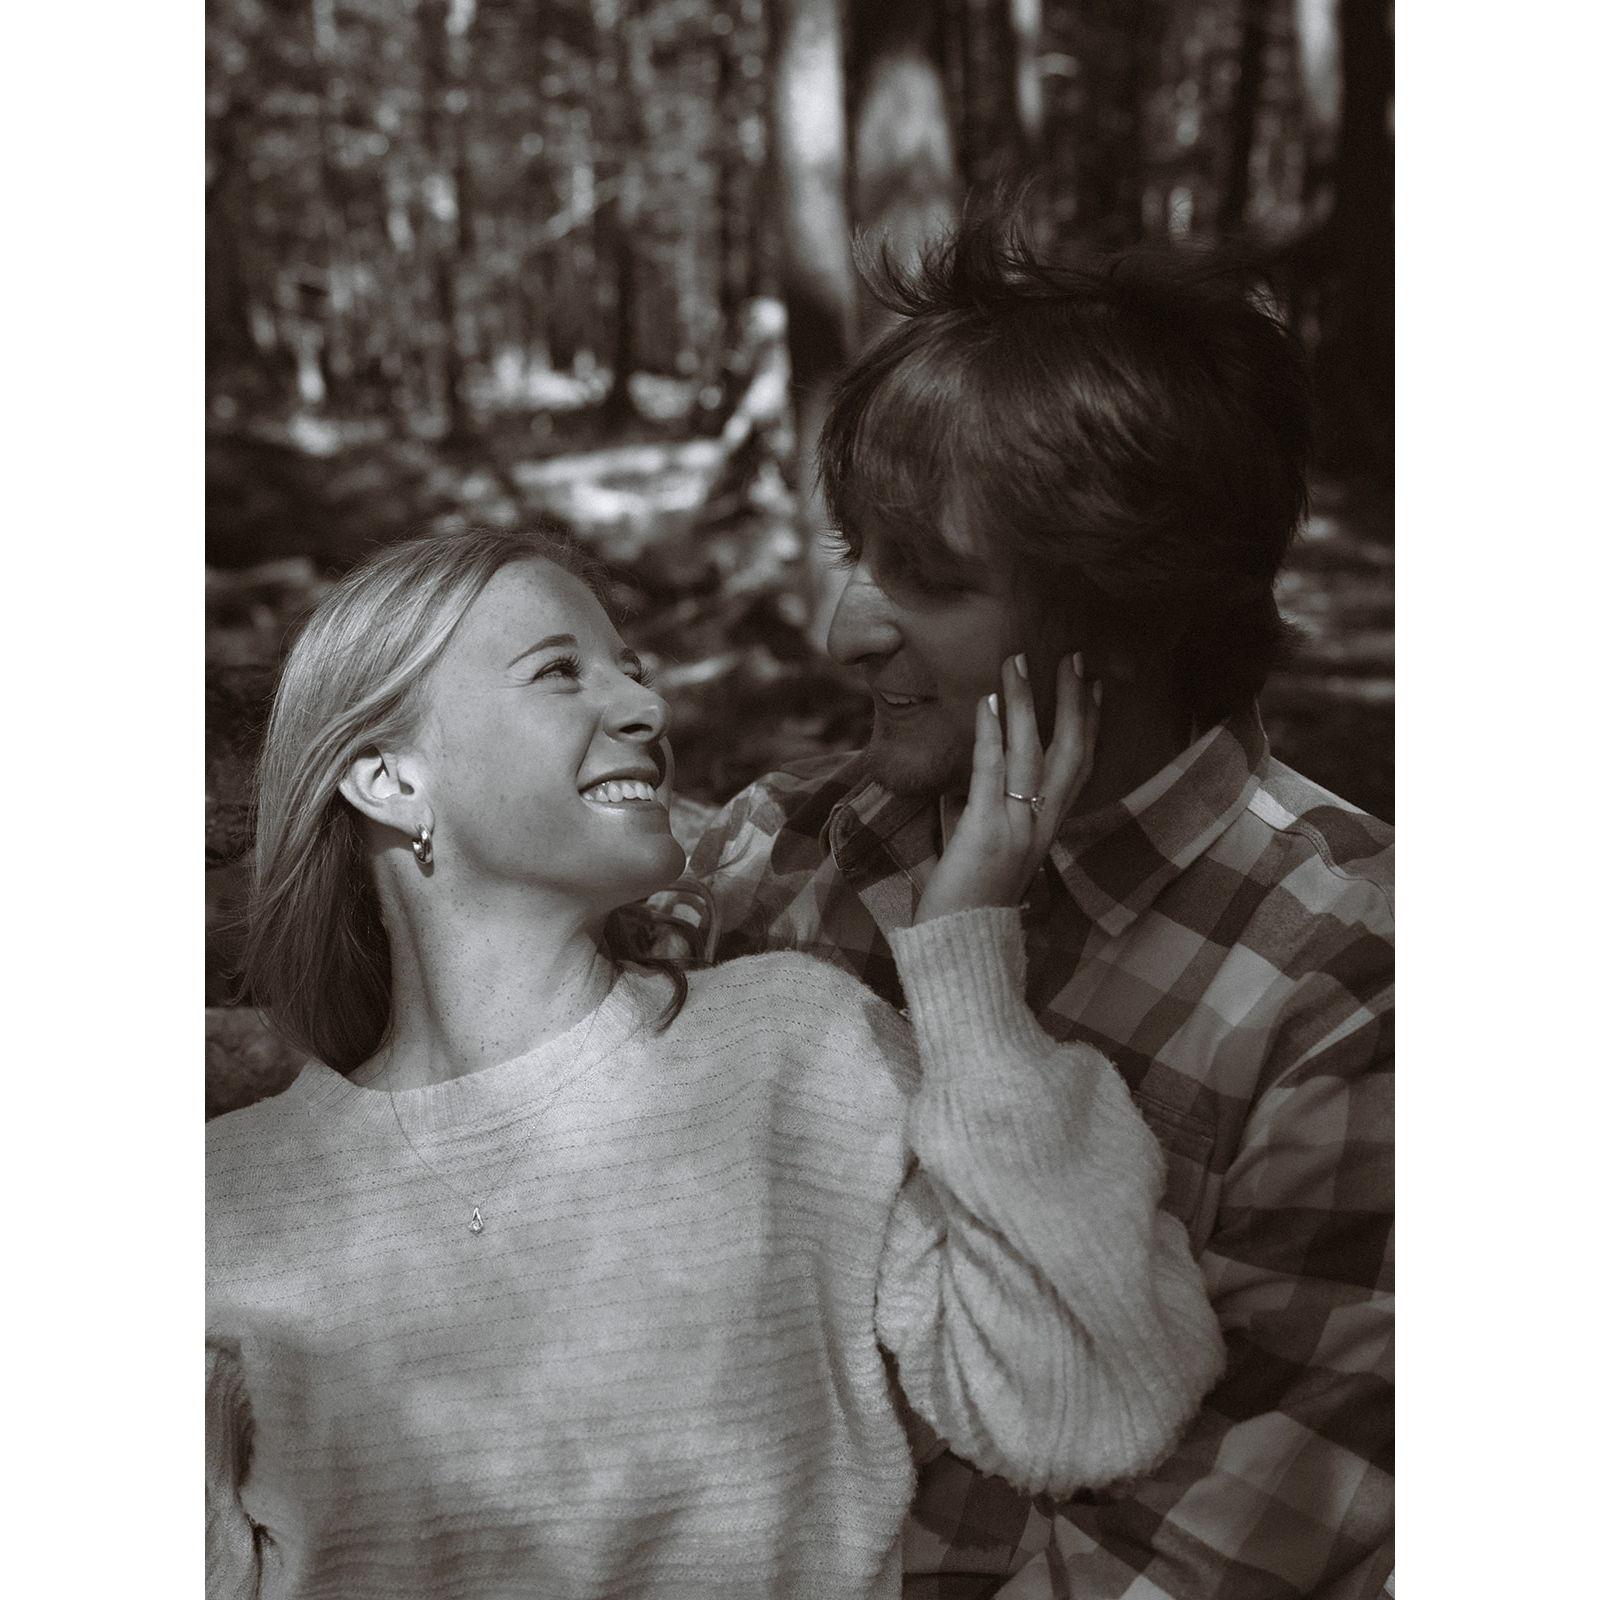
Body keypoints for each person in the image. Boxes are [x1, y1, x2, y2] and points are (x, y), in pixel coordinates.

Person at [206, 528, 1225, 1600]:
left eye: (635, 672)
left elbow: (1091, 1399)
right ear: (386, 776)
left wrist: (968, 949)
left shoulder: (801, 1050)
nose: (649, 710)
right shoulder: (221, 1205)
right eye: (559, 672)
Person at [680, 213, 1394, 1598]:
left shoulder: (1356, 982)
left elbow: (1233, 1550)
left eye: (931, 580)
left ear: (1132, 612)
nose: (842, 631)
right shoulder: (787, 850)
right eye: (853, 553)